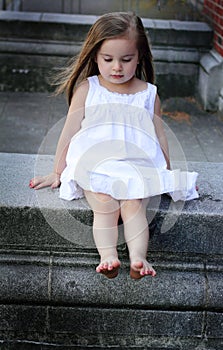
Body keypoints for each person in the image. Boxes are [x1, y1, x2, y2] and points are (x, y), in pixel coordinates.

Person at [29, 12, 198, 279]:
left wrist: (166, 175)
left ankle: (139, 259)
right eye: (108, 59)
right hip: (95, 164)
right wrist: (57, 171)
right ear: (95, 56)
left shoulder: (148, 93)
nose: (116, 67)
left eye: (126, 59)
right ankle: (108, 256)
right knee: (105, 204)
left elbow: (160, 136)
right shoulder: (88, 89)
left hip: (136, 165)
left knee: (133, 205)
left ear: (139, 57)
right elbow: (69, 132)